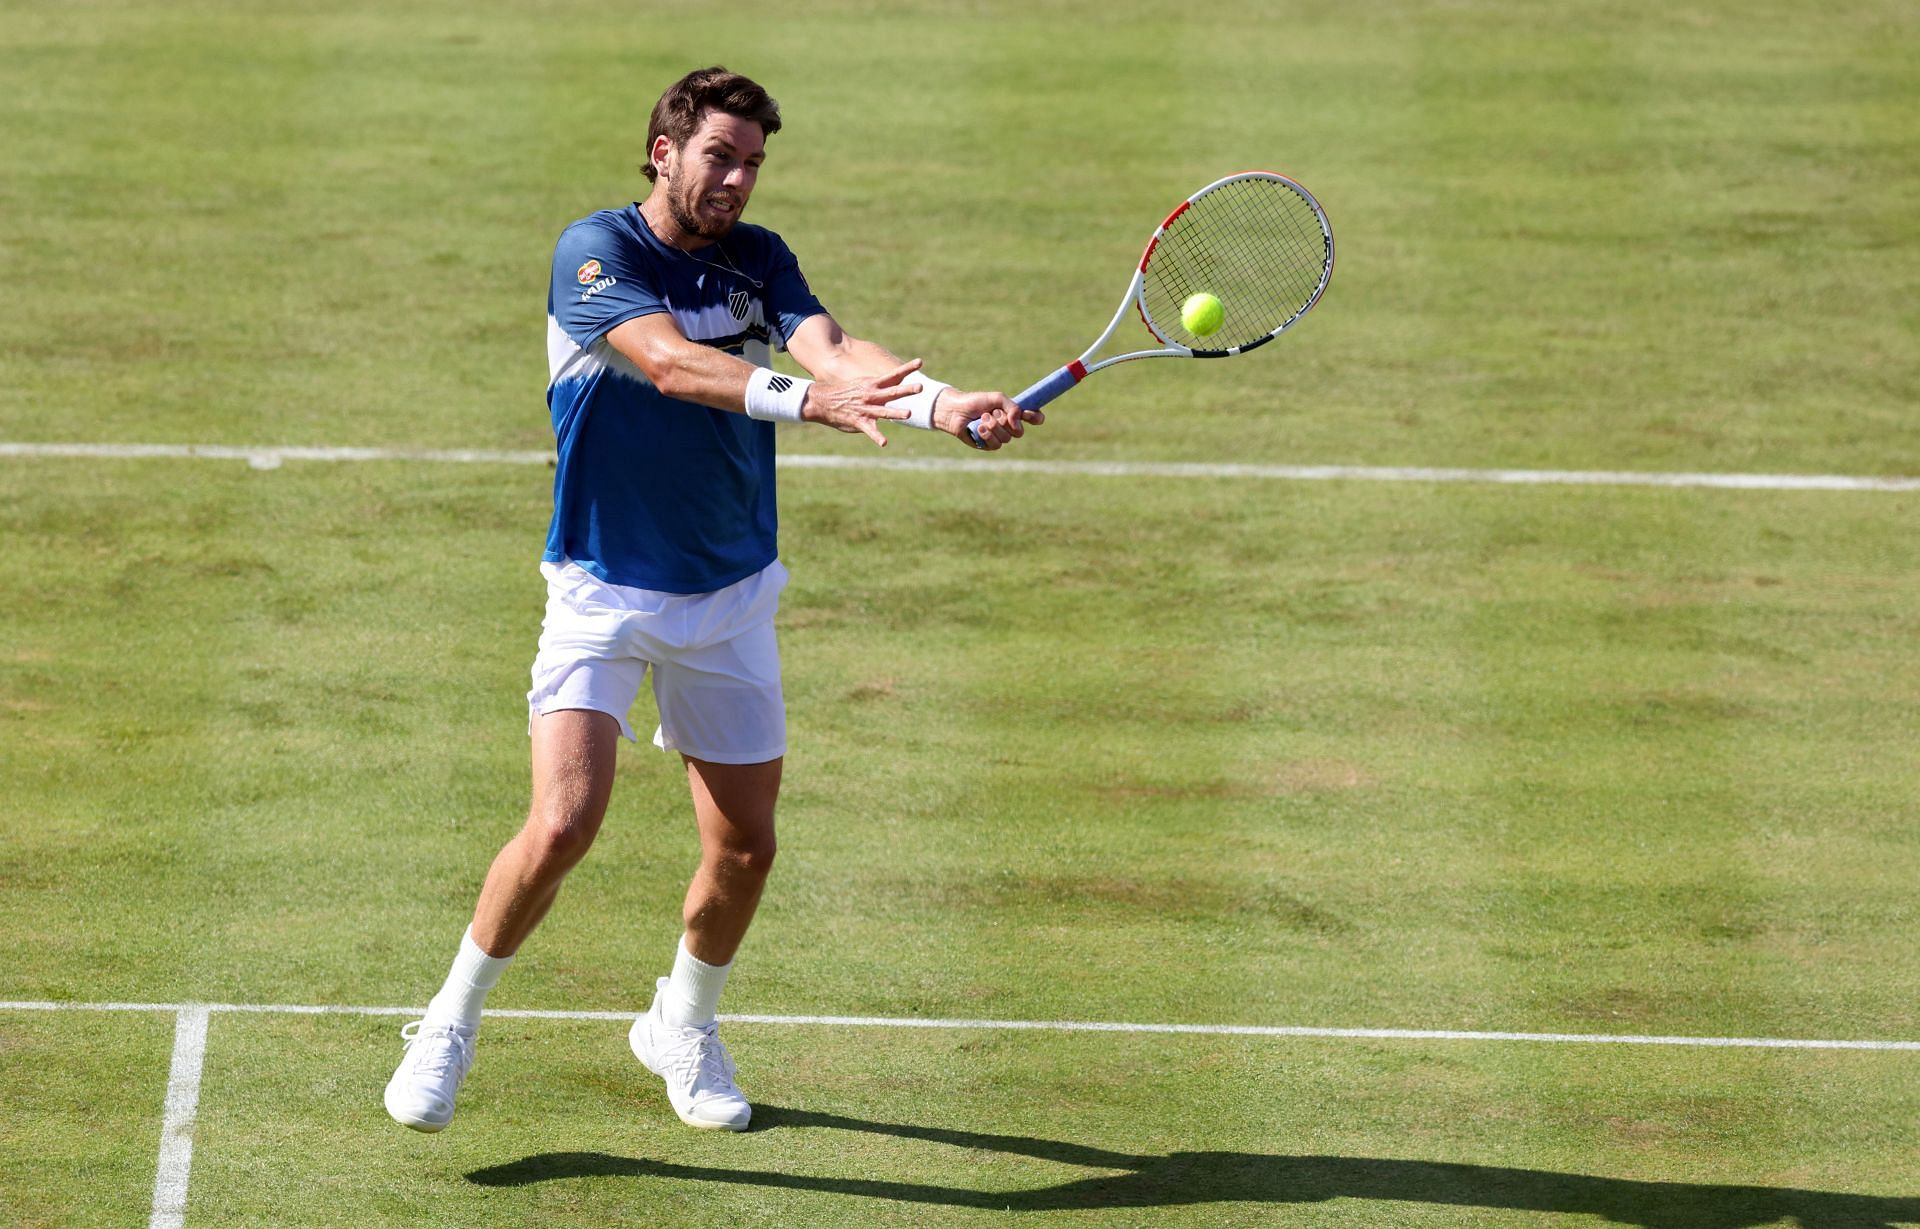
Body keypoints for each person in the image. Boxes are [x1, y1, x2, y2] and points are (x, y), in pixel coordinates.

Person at [383, 66, 1040, 1135]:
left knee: (745, 848)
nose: (736, 179)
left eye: (752, 163)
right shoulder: (594, 252)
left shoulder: (759, 257)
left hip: (730, 593)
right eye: (719, 157)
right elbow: (673, 365)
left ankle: (680, 1022)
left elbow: (832, 349)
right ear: (664, 153)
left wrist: (940, 403)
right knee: (561, 821)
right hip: (602, 587)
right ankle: (448, 1020)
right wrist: (811, 401)